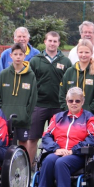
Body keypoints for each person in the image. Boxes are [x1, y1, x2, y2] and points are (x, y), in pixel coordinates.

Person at [27, 87, 94, 187]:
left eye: (77, 101)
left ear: (82, 102)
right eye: (71, 100)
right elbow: (46, 136)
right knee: (48, 160)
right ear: (66, 101)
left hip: (78, 156)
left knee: (61, 163)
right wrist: (56, 149)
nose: (74, 103)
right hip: (57, 152)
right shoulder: (57, 118)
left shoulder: (90, 118)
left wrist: (73, 150)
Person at [28, 32, 71, 167]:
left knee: (59, 139)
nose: (52, 43)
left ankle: (54, 167)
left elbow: (69, 84)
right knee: (32, 138)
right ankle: (29, 169)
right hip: (39, 105)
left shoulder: (65, 61)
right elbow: (30, 83)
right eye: (50, 40)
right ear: (45, 41)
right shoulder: (35, 60)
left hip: (59, 107)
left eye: (55, 41)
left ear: (58, 43)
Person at [0, 43, 38, 164]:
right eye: (15, 54)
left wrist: (26, 114)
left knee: (23, 144)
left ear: (24, 56)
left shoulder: (31, 75)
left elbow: (33, 98)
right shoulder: (3, 74)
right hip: (6, 119)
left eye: (21, 54)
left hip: (23, 119)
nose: (18, 57)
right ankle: (6, 168)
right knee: (7, 144)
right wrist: (2, 113)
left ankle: (23, 167)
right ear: (11, 56)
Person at [59, 39, 94, 116]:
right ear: (77, 53)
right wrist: (68, 109)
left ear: (92, 53)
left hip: (90, 115)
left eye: (86, 52)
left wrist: (88, 111)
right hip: (70, 115)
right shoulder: (69, 71)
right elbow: (62, 94)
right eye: (81, 52)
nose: (83, 55)